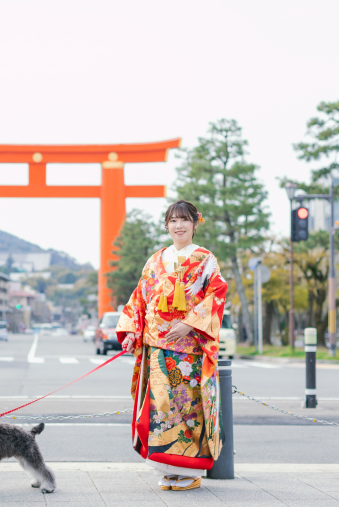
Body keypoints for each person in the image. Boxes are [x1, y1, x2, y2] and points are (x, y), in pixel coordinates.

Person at [117, 200, 228, 492]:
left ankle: (189, 471)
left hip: (188, 349)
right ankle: (166, 467)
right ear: (166, 226)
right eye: (173, 221)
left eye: (184, 221)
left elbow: (216, 294)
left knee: (187, 407)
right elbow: (140, 298)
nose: (179, 226)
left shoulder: (205, 259)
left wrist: (190, 323)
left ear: (195, 224)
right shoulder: (156, 260)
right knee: (161, 408)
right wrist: (132, 331)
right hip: (157, 348)